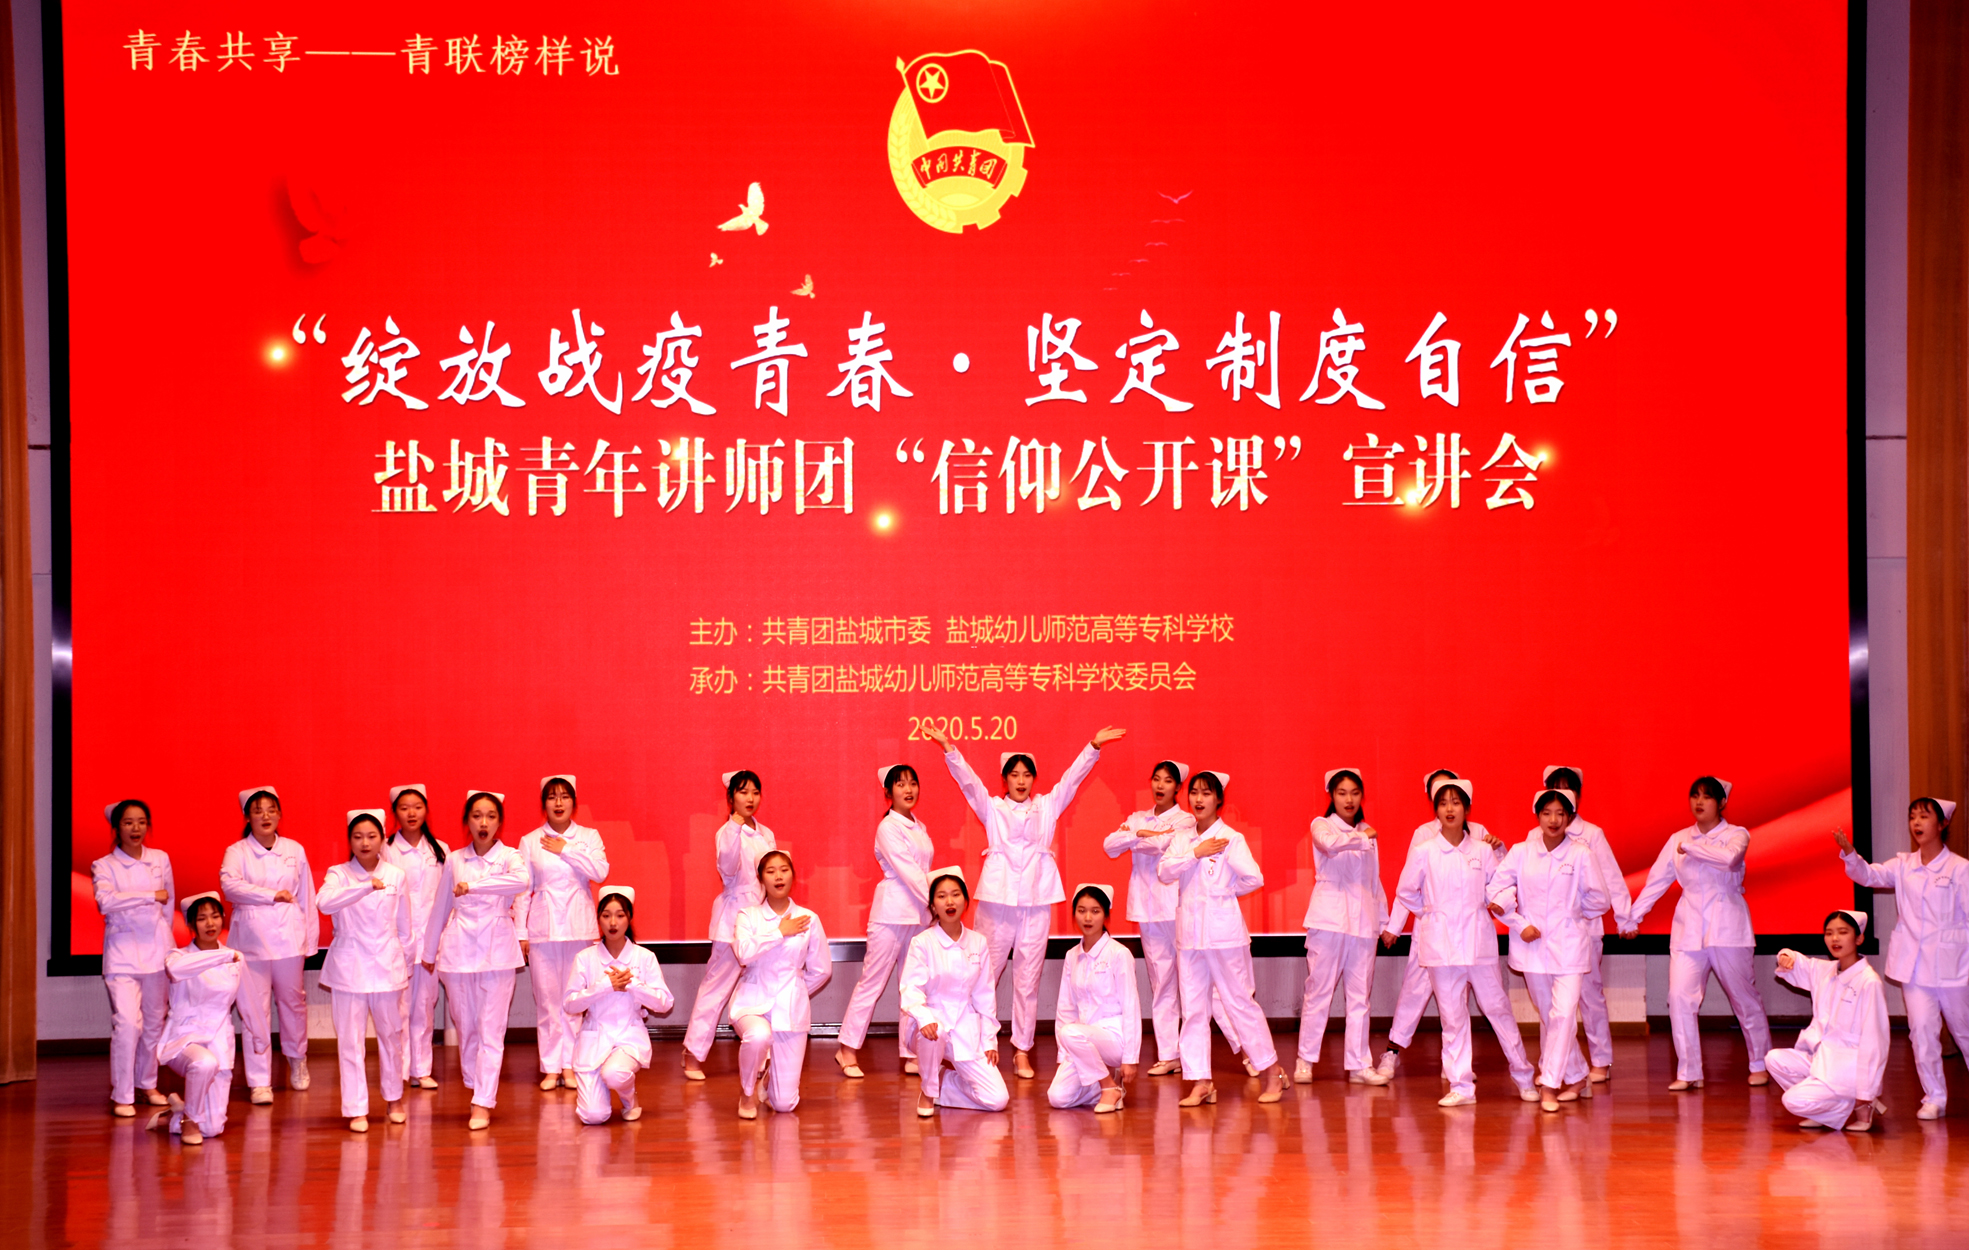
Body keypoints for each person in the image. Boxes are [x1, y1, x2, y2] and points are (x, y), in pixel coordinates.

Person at [924, 723, 1126, 1079]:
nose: (1021, 781)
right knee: (981, 975)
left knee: (1028, 980)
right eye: (1014, 775)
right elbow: (969, 782)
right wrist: (949, 749)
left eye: (1027, 775)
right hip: (997, 902)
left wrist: (1093, 746)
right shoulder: (992, 808)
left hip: (1036, 901)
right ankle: (970, 1043)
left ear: (1034, 779)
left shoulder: (1046, 807)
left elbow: (1071, 780)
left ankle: (1021, 1050)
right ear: (1004, 779)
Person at [1384, 777, 1537, 1107]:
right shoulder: (1424, 851)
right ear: (1436, 810)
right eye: (1443, 803)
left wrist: (1514, 918)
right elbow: (1406, 891)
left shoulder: (1482, 851)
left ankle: (1524, 1076)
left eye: (1456, 802)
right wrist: (1429, 912)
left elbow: (1500, 889)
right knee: (1452, 1018)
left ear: (1467, 808)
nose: (1449, 809)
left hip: (1479, 946)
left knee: (1498, 1010)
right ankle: (1461, 1085)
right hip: (1441, 949)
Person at [1629, 776, 1772, 1090]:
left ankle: (1761, 1063)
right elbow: (1656, 881)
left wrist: (1693, 848)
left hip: (1728, 926)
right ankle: (1689, 1071)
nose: (1699, 802)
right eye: (1694, 795)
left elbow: (1730, 859)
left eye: (1707, 797)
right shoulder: (1678, 839)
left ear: (1722, 803)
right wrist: (1632, 918)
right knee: (1679, 997)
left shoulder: (1737, 834)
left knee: (1743, 998)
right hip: (1688, 926)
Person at [1157, 770, 1288, 1106]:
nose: (1199, 799)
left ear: (1219, 800)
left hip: (1224, 936)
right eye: (1194, 793)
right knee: (1193, 1010)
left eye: (1206, 793)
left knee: (1240, 1004)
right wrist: (1196, 853)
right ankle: (1201, 1081)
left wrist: (1226, 893)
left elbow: (1254, 878)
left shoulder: (1231, 837)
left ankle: (1272, 1072)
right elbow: (1164, 871)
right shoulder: (1183, 838)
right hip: (1190, 938)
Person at [1835, 797, 1969, 1119]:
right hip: (1914, 967)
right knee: (1921, 1032)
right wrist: (1850, 853)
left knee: (1964, 1031)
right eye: (1912, 817)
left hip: (1954, 966)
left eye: (1924, 816)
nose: (1917, 823)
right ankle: (1934, 1097)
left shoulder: (1960, 869)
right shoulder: (1903, 865)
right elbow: (1869, 875)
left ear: (1942, 824)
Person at [1375, 768, 1503, 1080]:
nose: (1448, 806)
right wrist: (1395, 925)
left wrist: (1499, 847)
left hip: (1469, 933)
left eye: (1454, 798)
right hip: (1431, 931)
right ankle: (1391, 1053)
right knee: (1414, 990)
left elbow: (1499, 878)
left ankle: (1456, 1065)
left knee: (1459, 999)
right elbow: (1409, 885)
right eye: (1441, 797)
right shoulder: (1423, 834)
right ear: (1433, 800)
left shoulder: (1478, 831)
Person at [1489, 788, 1612, 1111]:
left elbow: (1600, 899)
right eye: (1547, 813)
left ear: (1570, 817)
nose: (1554, 820)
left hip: (1570, 946)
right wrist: (1519, 923)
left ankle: (1549, 1085)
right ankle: (1578, 1076)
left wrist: (1571, 915)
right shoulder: (1521, 852)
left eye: (1560, 813)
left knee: (1563, 1014)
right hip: (1531, 946)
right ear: (1538, 816)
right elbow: (1496, 890)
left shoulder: (1582, 853)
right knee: (1550, 1016)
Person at [424, 790, 529, 1130]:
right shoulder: (455, 860)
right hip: (458, 952)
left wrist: (473, 886)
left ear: (499, 823)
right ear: (467, 821)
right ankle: (475, 1083)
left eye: (491, 816)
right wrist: (428, 952)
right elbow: (441, 907)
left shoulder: (510, 857)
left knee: (491, 1031)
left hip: (498, 952)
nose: (484, 823)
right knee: (467, 1028)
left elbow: (521, 880)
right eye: (477, 816)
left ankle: (482, 1101)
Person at [513, 774, 612, 1092]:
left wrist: (566, 849)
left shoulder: (588, 836)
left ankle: (570, 1065)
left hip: (578, 928)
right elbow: (522, 889)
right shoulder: (530, 841)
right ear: (544, 804)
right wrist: (521, 932)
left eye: (564, 796)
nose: (558, 803)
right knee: (547, 1001)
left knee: (574, 999)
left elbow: (600, 871)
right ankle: (551, 1067)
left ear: (574, 802)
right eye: (552, 797)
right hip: (542, 930)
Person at [219, 786, 317, 1104]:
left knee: (293, 1004)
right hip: (251, 942)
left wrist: (310, 942)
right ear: (247, 817)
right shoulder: (237, 851)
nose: (265, 816)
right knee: (255, 1009)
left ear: (280, 814)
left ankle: (297, 1059)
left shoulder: (294, 849)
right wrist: (271, 895)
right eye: (257, 810)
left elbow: (306, 896)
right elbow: (230, 886)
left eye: (271, 809)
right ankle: (260, 1080)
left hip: (289, 939)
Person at [835, 765, 934, 1079]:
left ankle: (910, 1051)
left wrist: (930, 906)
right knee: (872, 983)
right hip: (891, 914)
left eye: (913, 783)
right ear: (888, 792)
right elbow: (908, 871)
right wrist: (935, 900)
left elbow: (922, 872)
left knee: (912, 985)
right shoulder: (888, 827)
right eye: (901, 784)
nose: (908, 789)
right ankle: (847, 1049)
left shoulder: (920, 826)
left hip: (918, 914)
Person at [317, 809, 413, 1132]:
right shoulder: (338, 874)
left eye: (372, 836)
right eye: (357, 837)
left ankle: (394, 1098)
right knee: (350, 1041)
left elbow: (405, 926)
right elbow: (324, 903)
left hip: (387, 964)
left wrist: (406, 964)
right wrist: (365, 887)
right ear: (349, 841)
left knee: (391, 1037)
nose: (365, 843)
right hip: (348, 966)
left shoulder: (396, 875)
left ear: (382, 839)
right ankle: (356, 1108)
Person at [1297, 769, 1391, 1086]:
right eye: (1342, 793)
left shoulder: (1367, 831)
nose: (1349, 799)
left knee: (1360, 997)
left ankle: (1359, 1064)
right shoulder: (1322, 824)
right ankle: (1305, 1060)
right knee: (1318, 992)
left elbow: (1374, 881)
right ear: (1332, 796)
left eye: (1354, 792)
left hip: (1363, 923)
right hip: (1328, 920)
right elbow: (1329, 844)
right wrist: (1363, 838)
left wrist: (1384, 922)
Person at [1541, 766, 1633, 1083]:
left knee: (1590, 996)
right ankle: (1552, 1064)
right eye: (1555, 789)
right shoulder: (1535, 836)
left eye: (1569, 789)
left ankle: (1601, 1060)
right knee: (1551, 1002)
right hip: (1548, 935)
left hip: (1586, 930)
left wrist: (1625, 918)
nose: (1562, 795)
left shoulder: (1591, 834)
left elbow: (1612, 878)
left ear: (1578, 797)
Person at [683, 769, 776, 1080]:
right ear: (730, 797)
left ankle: (762, 1054)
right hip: (733, 920)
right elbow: (728, 867)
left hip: (761, 920)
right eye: (743, 792)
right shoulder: (727, 832)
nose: (750, 798)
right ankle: (693, 1053)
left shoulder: (766, 833)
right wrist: (735, 827)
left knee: (762, 987)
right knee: (716, 989)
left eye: (755, 792)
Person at [1104, 760, 1196, 1076]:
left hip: (1176, 907)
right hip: (1146, 910)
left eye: (1167, 781)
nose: (1160, 785)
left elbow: (1160, 844)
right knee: (1161, 982)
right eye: (1156, 779)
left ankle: (1237, 1051)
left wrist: (1137, 837)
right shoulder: (1137, 818)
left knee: (1192, 981)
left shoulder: (1185, 819)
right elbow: (1109, 845)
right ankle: (1169, 1054)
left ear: (1178, 787)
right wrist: (1139, 832)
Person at [899, 868, 1009, 1116]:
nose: (950, 901)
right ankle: (928, 1091)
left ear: (965, 901)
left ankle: (941, 1082)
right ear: (933, 905)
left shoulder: (978, 942)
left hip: (964, 1027)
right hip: (928, 1026)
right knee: (934, 1032)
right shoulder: (922, 942)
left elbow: (984, 996)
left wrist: (989, 1040)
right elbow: (911, 987)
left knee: (997, 1100)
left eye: (955, 894)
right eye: (942, 896)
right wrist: (924, 1018)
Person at [731, 851, 832, 1118]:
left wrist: (796, 990)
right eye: (771, 871)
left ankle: (768, 1079)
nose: (778, 876)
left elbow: (822, 969)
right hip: (752, 1003)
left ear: (793, 875)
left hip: (790, 1009)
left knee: (784, 1104)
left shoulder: (808, 918)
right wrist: (779, 932)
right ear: (760, 879)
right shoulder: (748, 916)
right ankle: (747, 1092)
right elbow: (743, 952)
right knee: (758, 1035)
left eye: (784, 870)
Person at [1768, 910, 1890, 1131]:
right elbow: (1797, 960)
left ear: (1859, 938)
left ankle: (1857, 1104)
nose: (1835, 938)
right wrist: (1785, 956)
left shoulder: (1868, 981)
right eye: (1829, 933)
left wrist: (1866, 1091)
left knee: (1792, 1101)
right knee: (1774, 1059)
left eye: (1843, 932)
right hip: (1822, 1058)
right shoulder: (1826, 970)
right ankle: (1828, 1109)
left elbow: (1875, 1041)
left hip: (1849, 1068)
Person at [564, 888, 674, 1125]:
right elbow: (570, 1004)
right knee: (593, 1116)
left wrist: (632, 984)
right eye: (606, 915)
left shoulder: (644, 957)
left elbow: (665, 1003)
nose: (612, 923)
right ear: (598, 919)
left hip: (628, 1036)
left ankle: (629, 1097)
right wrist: (604, 986)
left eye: (620, 915)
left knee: (614, 1073)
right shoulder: (585, 958)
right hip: (593, 1040)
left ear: (629, 918)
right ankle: (601, 1090)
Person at [92, 798, 174, 1117]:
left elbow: (168, 905)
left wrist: (168, 943)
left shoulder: (160, 858)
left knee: (154, 1022)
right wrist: (150, 896)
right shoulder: (104, 865)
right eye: (128, 822)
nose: (135, 828)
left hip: (157, 948)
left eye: (141, 822)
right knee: (128, 1023)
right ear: (116, 828)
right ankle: (122, 1094)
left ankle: (147, 1083)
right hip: (122, 954)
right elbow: (106, 902)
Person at [147, 893, 243, 1145]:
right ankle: (190, 1120)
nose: (210, 923)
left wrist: (259, 1036)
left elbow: (249, 1000)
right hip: (184, 1039)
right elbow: (178, 970)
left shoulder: (234, 958)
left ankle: (176, 1115)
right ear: (191, 925)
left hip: (219, 1040)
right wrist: (223, 956)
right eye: (202, 919)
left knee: (212, 1129)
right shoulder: (177, 956)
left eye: (215, 916)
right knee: (204, 1063)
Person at [1048, 884, 1141, 1112]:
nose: (1087, 918)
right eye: (1081, 911)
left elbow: (1131, 1007)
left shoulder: (1119, 954)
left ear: (1106, 914)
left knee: (1070, 1032)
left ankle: (1109, 1087)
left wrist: (1130, 1058)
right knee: (1058, 1098)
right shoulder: (1072, 956)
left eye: (1095, 911)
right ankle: (1106, 1080)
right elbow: (1065, 1008)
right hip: (1081, 1040)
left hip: (1114, 1037)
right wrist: (1063, 1055)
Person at [383, 784, 449, 1091]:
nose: (411, 813)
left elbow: (446, 898)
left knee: (424, 1006)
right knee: (399, 1008)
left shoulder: (441, 850)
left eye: (417, 807)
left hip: (430, 941)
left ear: (426, 811)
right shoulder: (385, 849)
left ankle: (421, 1069)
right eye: (404, 807)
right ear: (395, 813)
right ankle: (399, 1068)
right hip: (396, 941)